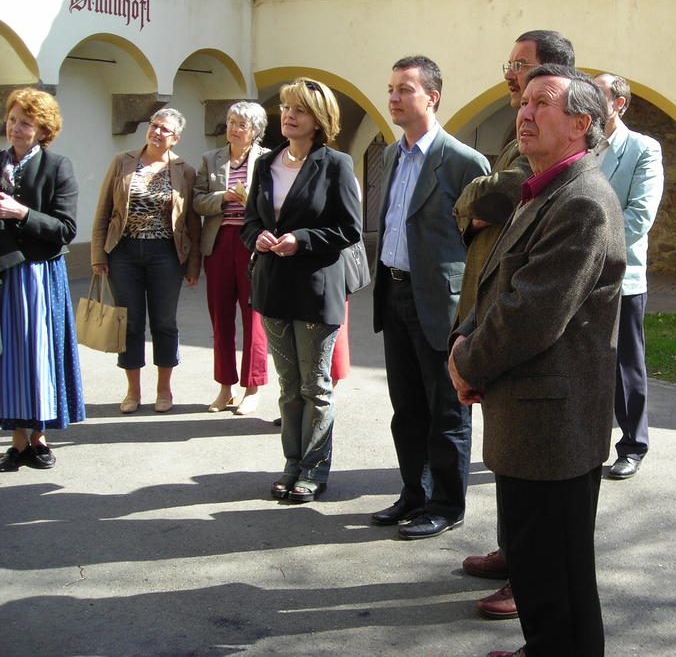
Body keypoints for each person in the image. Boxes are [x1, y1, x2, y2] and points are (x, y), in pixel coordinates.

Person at [449, 64, 626, 657]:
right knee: (537, 559)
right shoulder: (543, 190)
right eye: (523, 102)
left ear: (581, 124)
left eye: (541, 103)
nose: (523, 113)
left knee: (555, 565)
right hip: (528, 409)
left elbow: (531, 313)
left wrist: (467, 362)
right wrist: (463, 346)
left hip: (554, 420)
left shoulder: (582, 201)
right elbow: (496, 285)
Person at [455, 29, 577, 620]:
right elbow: (483, 201)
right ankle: (515, 555)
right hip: (498, 318)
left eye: (522, 66)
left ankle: (528, 577)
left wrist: (468, 359)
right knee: (509, 458)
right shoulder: (522, 138)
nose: (510, 75)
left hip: (536, 351)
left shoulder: (569, 162)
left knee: (540, 479)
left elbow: (493, 197)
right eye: (511, 66)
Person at [371, 55, 490, 540]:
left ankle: (446, 503)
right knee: (407, 408)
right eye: (391, 89)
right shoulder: (390, 155)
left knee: (446, 410)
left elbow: (482, 247)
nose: (394, 98)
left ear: (432, 97)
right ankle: (414, 493)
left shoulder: (464, 162)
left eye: (405, 89)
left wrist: (471, 314)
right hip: (393, 292)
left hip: (440, 304)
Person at [241, 77, 362, 504]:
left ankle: (313, 470)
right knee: (288, 387)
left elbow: (349, 228)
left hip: (316, 288)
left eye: (300, 110)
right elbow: (250, 220)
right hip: (273, 286)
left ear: (319, 119)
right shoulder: (266, 163)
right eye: (286, 107)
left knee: (315, 386)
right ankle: (291, 464)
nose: (288, 115)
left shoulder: (335, 164)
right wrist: (257, 236)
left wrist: (302, 240)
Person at [91, 108, 201, 414]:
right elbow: (103, 211)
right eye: (154, 125)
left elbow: (193, 223)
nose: (157, 132)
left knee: (164, 322)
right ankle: (133, 390)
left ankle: (164, 389)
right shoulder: (122, 161)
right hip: (123, 251)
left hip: (166, 253)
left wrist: (193, 265)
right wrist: (98, 255)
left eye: (165, 129)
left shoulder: (184, 170)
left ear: (176, 138)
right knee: (129, 322)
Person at [0, 88, 84, 472]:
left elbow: (65, 229)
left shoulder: (57, 166)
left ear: (43, 130)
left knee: (37, 357)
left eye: (25, 123)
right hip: (3, 273)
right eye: (12, 120)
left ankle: (38, 439)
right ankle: (17, 442)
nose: (15, 128)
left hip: (37, 274)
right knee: (9, 359)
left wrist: (21, 213)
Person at [593, 73, 664, 480]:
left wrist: (585, 248)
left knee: (625, 367)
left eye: (598, 93)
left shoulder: (642, 149)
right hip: (575, 279)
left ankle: (633, 445)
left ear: (619, 103)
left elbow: (638, 218)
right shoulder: (579, 145)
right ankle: (585, 443)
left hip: (621, 276)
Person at [193, 101, 269, 415]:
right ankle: (225, 387)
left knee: (254, 318)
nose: (234, 129)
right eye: (231, 122)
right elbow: (197, 200)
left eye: (241, 124)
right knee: (220, 318)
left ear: (255, 131)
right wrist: (223, 197)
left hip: (253, 243)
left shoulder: (268, 159)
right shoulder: (210, 158)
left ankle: (252, 388)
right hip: (219, 243)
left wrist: (252, 198)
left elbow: (277, 201)